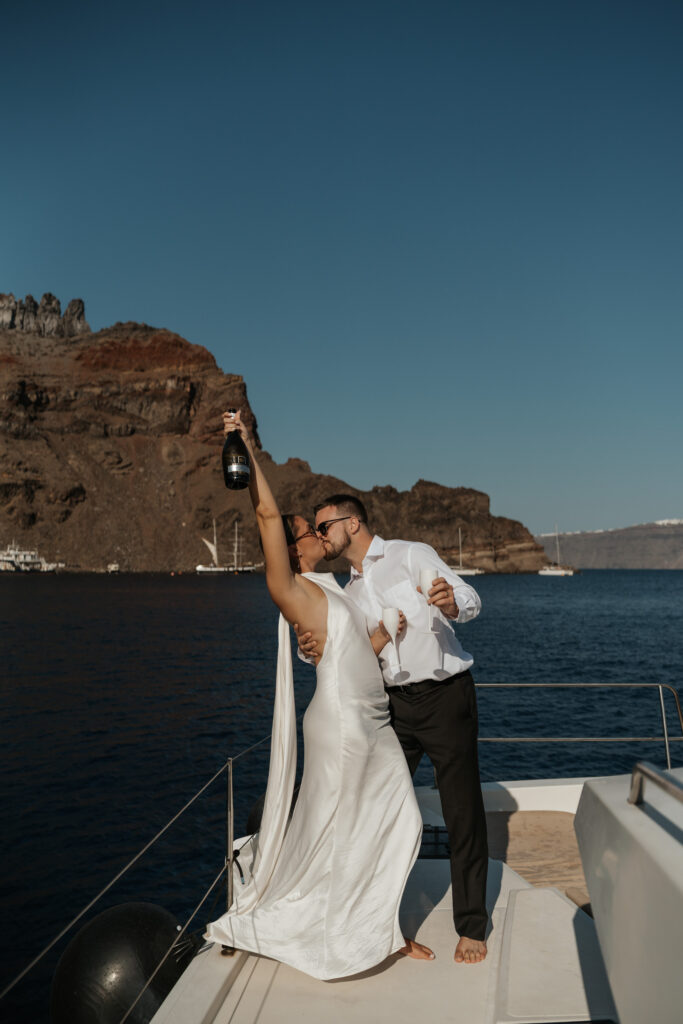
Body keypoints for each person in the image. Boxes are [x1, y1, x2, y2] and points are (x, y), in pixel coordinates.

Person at [205, 413, 433, 980]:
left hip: (372, 718)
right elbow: (265, 514)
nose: (319, 535)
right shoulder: (291, 588)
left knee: (392, 819)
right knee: (360, 827)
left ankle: (378, 926)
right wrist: (246, 446)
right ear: (294, 546)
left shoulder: (336, 590)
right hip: (343, 723)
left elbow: (353, 649)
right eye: (310, 530)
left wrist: (387, 632)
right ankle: (364, 935)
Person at [298, 494, 489, 965]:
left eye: (324, 527)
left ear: (353, 523)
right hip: (393, 708)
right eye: (317, 530)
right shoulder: (349, 592)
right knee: (376, 808)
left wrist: (452, 602)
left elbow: (470, 598)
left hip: (446, 698)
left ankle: (471, 926)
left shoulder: (409, 555)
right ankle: (378, 923)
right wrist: (310, 648)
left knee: (461, 811)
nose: (321, 537)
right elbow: (341, 649)